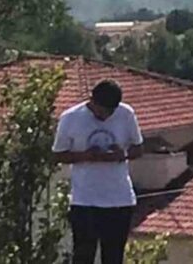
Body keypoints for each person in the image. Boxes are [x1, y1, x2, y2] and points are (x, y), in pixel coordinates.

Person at [52, 79, 144, 264]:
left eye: (111, 111)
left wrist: (122, 155)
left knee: (113, 256)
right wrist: (87, 156)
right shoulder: (71, 118)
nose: (107, 116)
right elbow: (57, 155)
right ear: (92, 101)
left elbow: (138, 148)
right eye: (103, 111)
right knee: (83, 255)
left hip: (119, 199)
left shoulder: (126, 114)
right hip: (85, 199)